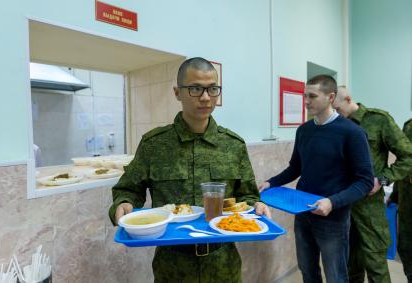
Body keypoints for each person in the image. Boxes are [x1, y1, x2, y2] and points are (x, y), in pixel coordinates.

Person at [108, 57, 271, 283]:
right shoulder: (154, 144)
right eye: (195, 88)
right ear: (177, 93)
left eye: (212, 89)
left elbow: (248, 196)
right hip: (172, 267)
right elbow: (128, 190)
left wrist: (257, 205)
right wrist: (123, 203)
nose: (205, 97)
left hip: (223, 265)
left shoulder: (233, 145)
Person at [259, 75, 374, 283]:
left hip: (333, 219)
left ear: (331, 97)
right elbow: (295, 168)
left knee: (336, 275)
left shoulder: (353, 133)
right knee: (307, 270)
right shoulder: (304, 130)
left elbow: (365, 182)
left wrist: (332, 202)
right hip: (303, 213)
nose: (306, 101)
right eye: (305, 96)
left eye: (312, 96)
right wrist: (271, 182)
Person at [332, 87, 412, 283]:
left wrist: (383, 180)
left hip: (369, 207)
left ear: (348, 99)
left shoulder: (378, 120)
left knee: (376, 266)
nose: (335, 113)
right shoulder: (336, 124)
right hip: (343, 204)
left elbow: (408, 156)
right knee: (350, 264)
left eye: (337, 108)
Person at [391, 118, 412, 282]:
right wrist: (395, 194)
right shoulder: (409, 125)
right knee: (406, 247)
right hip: (407, 199)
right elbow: (403, 163)